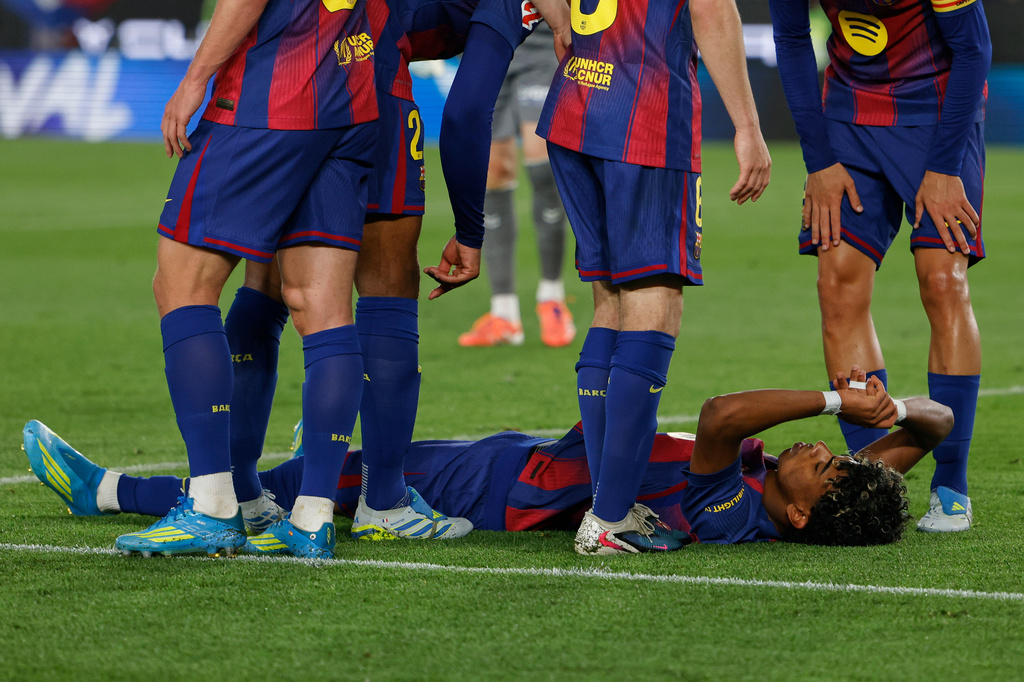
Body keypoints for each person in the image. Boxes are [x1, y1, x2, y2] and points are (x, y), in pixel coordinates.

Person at [24, 368, 952, 549]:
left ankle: (109, 491)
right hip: (522, 464)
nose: (823, 453)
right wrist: (896, 413)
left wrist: (838, 398)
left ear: (797, 513)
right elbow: (935, 426)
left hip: (504, 486)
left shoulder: (729, 506)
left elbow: (717, 412)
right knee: (328, 467)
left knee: (317, 474)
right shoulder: (798, 502)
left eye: (826, 467)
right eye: (838, 454)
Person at [118, 0, 379, 560]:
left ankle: (212, 502)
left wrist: (195, 78)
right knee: (323, 307)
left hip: (272, 95)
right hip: (352, 97)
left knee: (182, 283)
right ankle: (311, 518)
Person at [535, 0, 772, 554]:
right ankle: (610, 518)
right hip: (644, 115)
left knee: (610, 302)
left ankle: (607, 503)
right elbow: (712, 10)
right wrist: (748, 127)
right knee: (653, 302)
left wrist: (561, 22)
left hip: (574, 103)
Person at [769, 0, 991, 532]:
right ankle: (876, 475)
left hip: (939, 114)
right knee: (837, 285)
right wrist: (818, 159)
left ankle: (951, 486)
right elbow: (793, 40)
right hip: (848, 115)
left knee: (943, 280)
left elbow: (974, 47)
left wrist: (943, 167)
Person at [456, 22, 575, 349]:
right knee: (493, 171)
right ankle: (504, 313)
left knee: (543, 163)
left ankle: (552, 298)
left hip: (541, 37)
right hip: (489, 43)